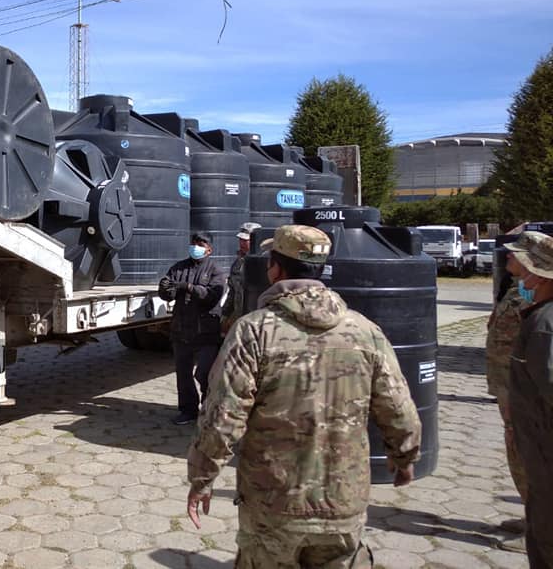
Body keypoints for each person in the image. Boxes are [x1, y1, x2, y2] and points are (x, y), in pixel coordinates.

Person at [187, 224, 422, 567]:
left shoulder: (253, 332)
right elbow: (399, 408)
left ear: (275, 269)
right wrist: (404, 458)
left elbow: (223, 415)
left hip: (272, 506)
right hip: (342, 503)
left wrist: (202, 478)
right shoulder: (365, 331)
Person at [503, 231, 553, 568]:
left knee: (546, 536)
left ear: (540, 274)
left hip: (546, 450)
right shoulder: (540, 315)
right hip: (539, 447)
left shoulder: (544, 325)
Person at [485, 245, 528, 550]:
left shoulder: (541, 294)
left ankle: (542, 533)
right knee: (518, 451)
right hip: (508, 384)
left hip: (525, 388)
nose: (507, 256)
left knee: (534, 456)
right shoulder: (517, 288)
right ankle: (532, 515)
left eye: (515, 253)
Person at [158, 231, 225, 426]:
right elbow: (168, 293)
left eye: (201, 244)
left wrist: (188, 287)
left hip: (206, 332)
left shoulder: (215, 271)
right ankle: (188, 410)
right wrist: (165, 288)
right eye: (194, 243)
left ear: (209, 249)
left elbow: (211, 296)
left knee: (205, 372)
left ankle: (209, 407)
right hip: (182, 329)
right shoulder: (179, 267)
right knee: (183, 373)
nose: (196, 247)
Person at [219, 221, 262, 333]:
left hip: (260, 320)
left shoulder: (266, 264)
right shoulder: (238, 263)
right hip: (241, 318)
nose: (242, 243)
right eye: (241, 240)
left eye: (246, 240)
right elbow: (232, 292)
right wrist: (225, 314)